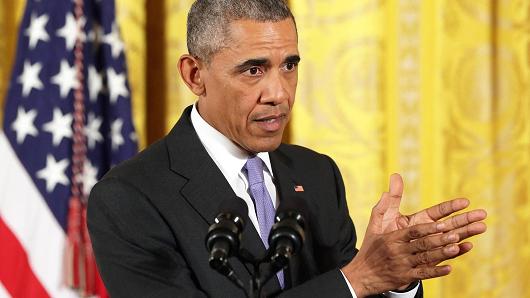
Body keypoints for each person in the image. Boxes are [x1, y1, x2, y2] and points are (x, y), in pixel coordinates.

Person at [87, 1, 487, 297]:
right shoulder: (129, 197)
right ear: (195, 75)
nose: (279, 93)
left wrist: (395, 280)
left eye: (290, 66)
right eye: (253, 69)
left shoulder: (316, 175)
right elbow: (348, 286)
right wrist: (358, 278)